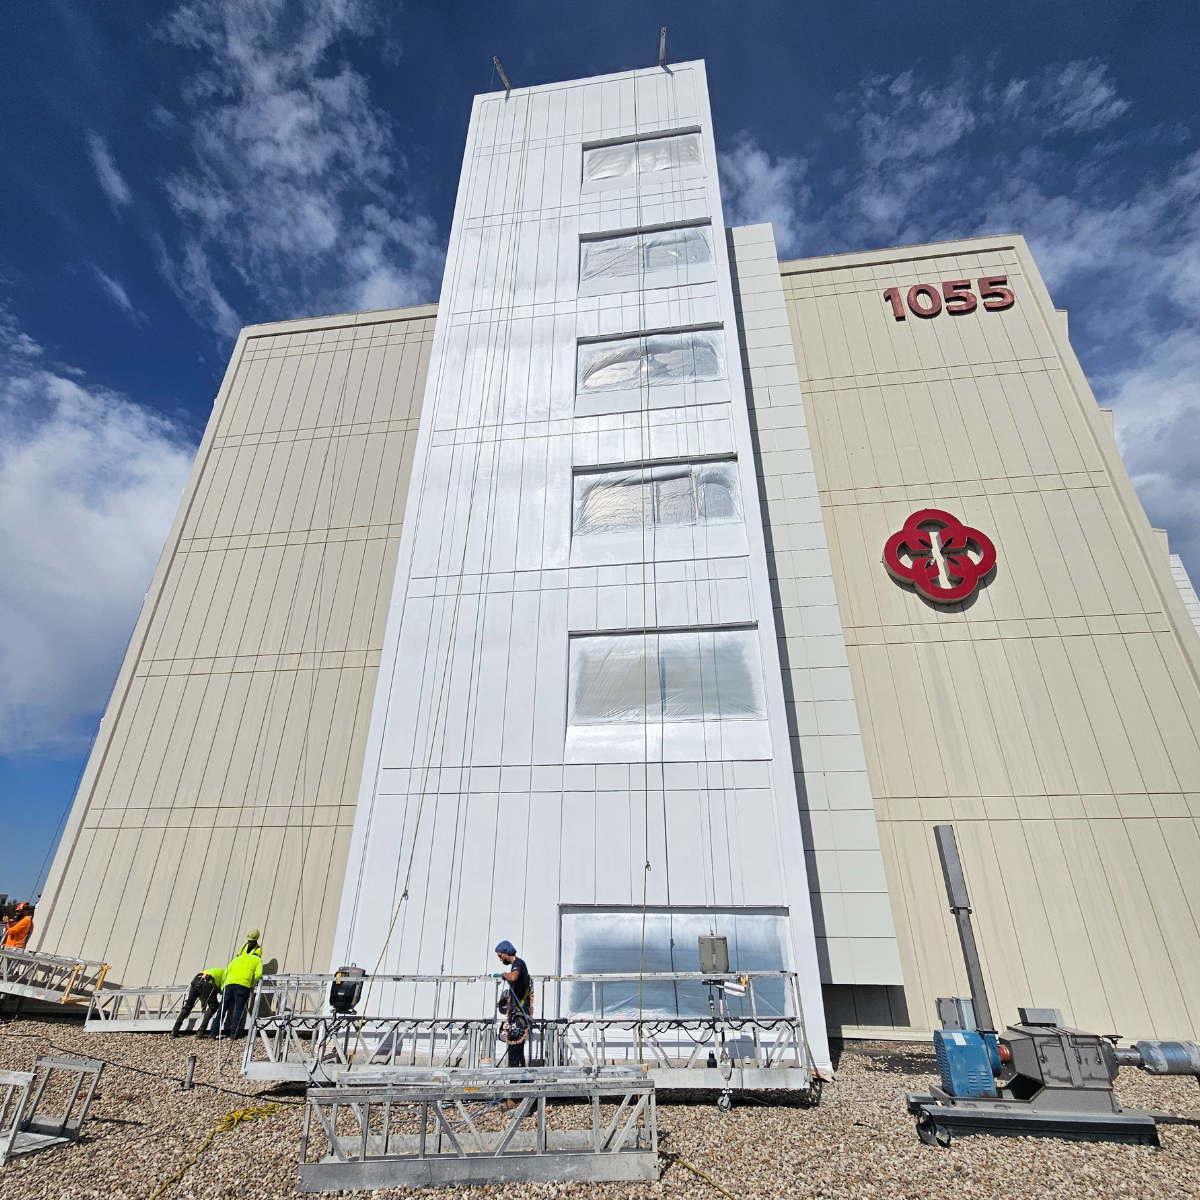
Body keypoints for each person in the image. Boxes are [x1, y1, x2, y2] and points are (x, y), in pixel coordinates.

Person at [493, 940, 533, 1068]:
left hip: (519, 1015)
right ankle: (520, 1078)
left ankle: (515, 1079)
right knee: (517, 1050)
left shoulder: (518, 963)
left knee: (514, 1049)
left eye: (500, 956)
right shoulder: (517, 964)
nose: (500, 960)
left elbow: (513, 977)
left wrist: (504, 974)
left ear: (506, 953)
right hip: (517, 1014)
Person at [218, 943, 263, 1038]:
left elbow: (225, 972)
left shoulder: (236, 959)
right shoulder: (257, 959)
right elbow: (258, 974)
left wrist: (223, 986)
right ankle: (234, 1034)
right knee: (238, 1010)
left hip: (229, 984)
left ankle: (213, 1033)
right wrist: (251, 984)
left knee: (222, 1009)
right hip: (243, 985)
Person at [171, 966, 225, 1038]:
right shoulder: (226, 975)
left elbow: (202, 994)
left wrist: (203, 1004)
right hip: (207, 982)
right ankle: (201, 1031)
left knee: (188, 1005)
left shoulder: (218, 971)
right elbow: (222, 989)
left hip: (196, 980)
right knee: (213, 1005)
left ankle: (175, 1030)